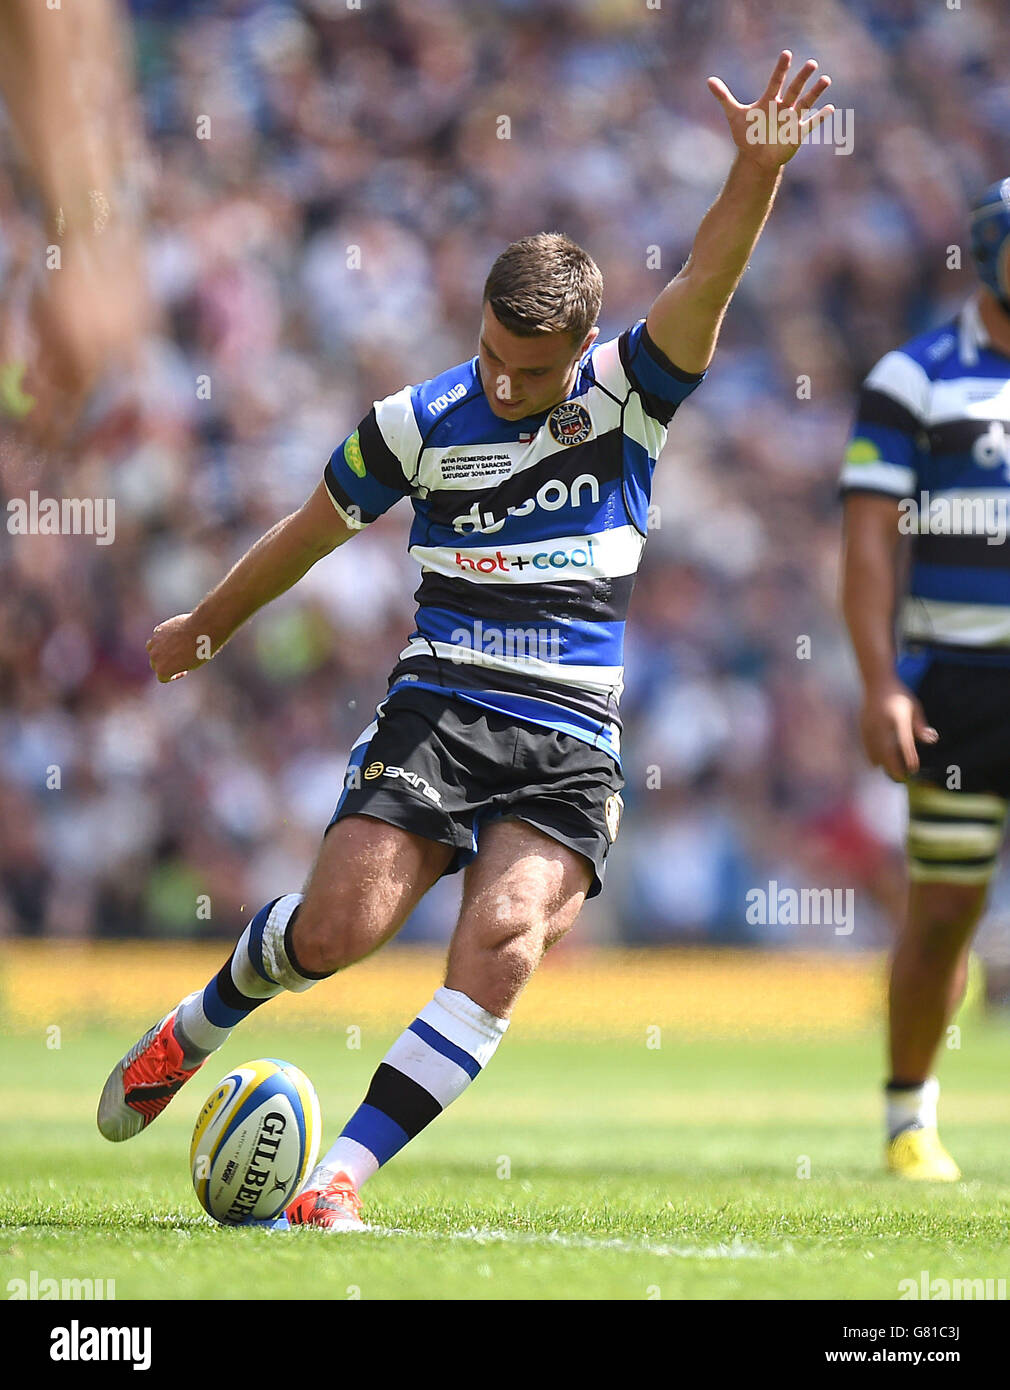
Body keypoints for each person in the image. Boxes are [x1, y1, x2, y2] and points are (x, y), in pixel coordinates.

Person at [98, 52, 832, 1230]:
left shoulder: (631, 395)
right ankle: (198, 1023)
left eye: (527, 369)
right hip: (438, 710)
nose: (499, 379)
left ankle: (337, 1178)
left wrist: (754, 173)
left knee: (499, 947)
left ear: (583, 344)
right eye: (488, 349)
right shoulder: (416, 420)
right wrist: (204, 626)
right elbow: (308, 531)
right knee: (337, 933)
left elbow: (708, 274)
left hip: (573, 736)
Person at [840, 178, 1010, 1181]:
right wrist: (877, 682)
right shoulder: (911, 378)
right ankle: (907, 1115)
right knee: (944, 906)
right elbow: (867, 547)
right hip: (955, 681)